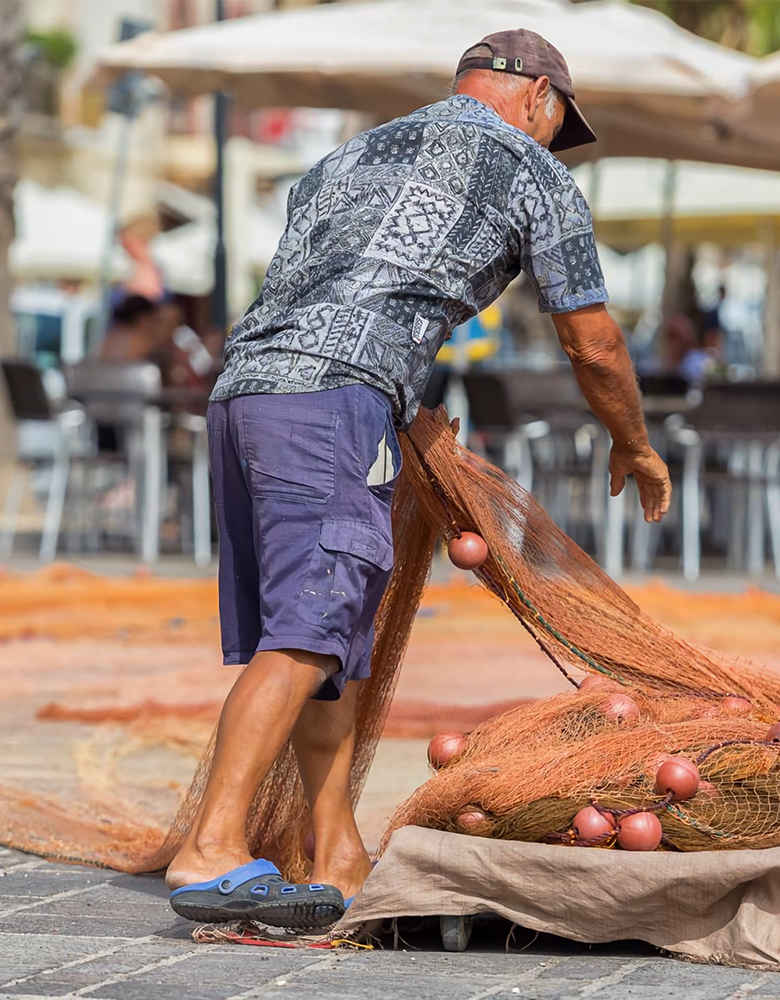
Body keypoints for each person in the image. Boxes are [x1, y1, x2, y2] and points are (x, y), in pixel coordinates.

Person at [166, 30, 672, 930]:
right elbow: (592, 341)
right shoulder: (533, 170)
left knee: (335, 638)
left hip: (245, 392)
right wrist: (633, 444)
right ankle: (211, 847)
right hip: (332, 398)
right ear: (540, 99)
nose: (557, 139)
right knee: (315, 627)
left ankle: (336, 848)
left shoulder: (341, 158)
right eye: (560, 124)